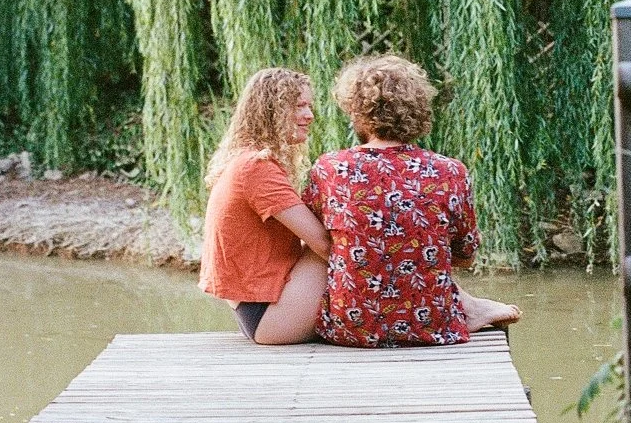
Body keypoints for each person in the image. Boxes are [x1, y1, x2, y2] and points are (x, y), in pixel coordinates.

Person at [303, 53, 520, 347]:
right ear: (418, 109)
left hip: (351, 327)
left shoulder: (330, 169)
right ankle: (472, 308)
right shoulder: (450, 171)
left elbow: (315, 240)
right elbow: (466, 256)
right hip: (432, 324)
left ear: (356, 111)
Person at [200, 67, 330, 345]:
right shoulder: (256, 168)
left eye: (309, 106)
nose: (309, 115)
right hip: (269, 317)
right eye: (299, 106)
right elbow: (323, 244)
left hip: (259, 311)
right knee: (339, 244)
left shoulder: (246, 161)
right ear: (272, 112)